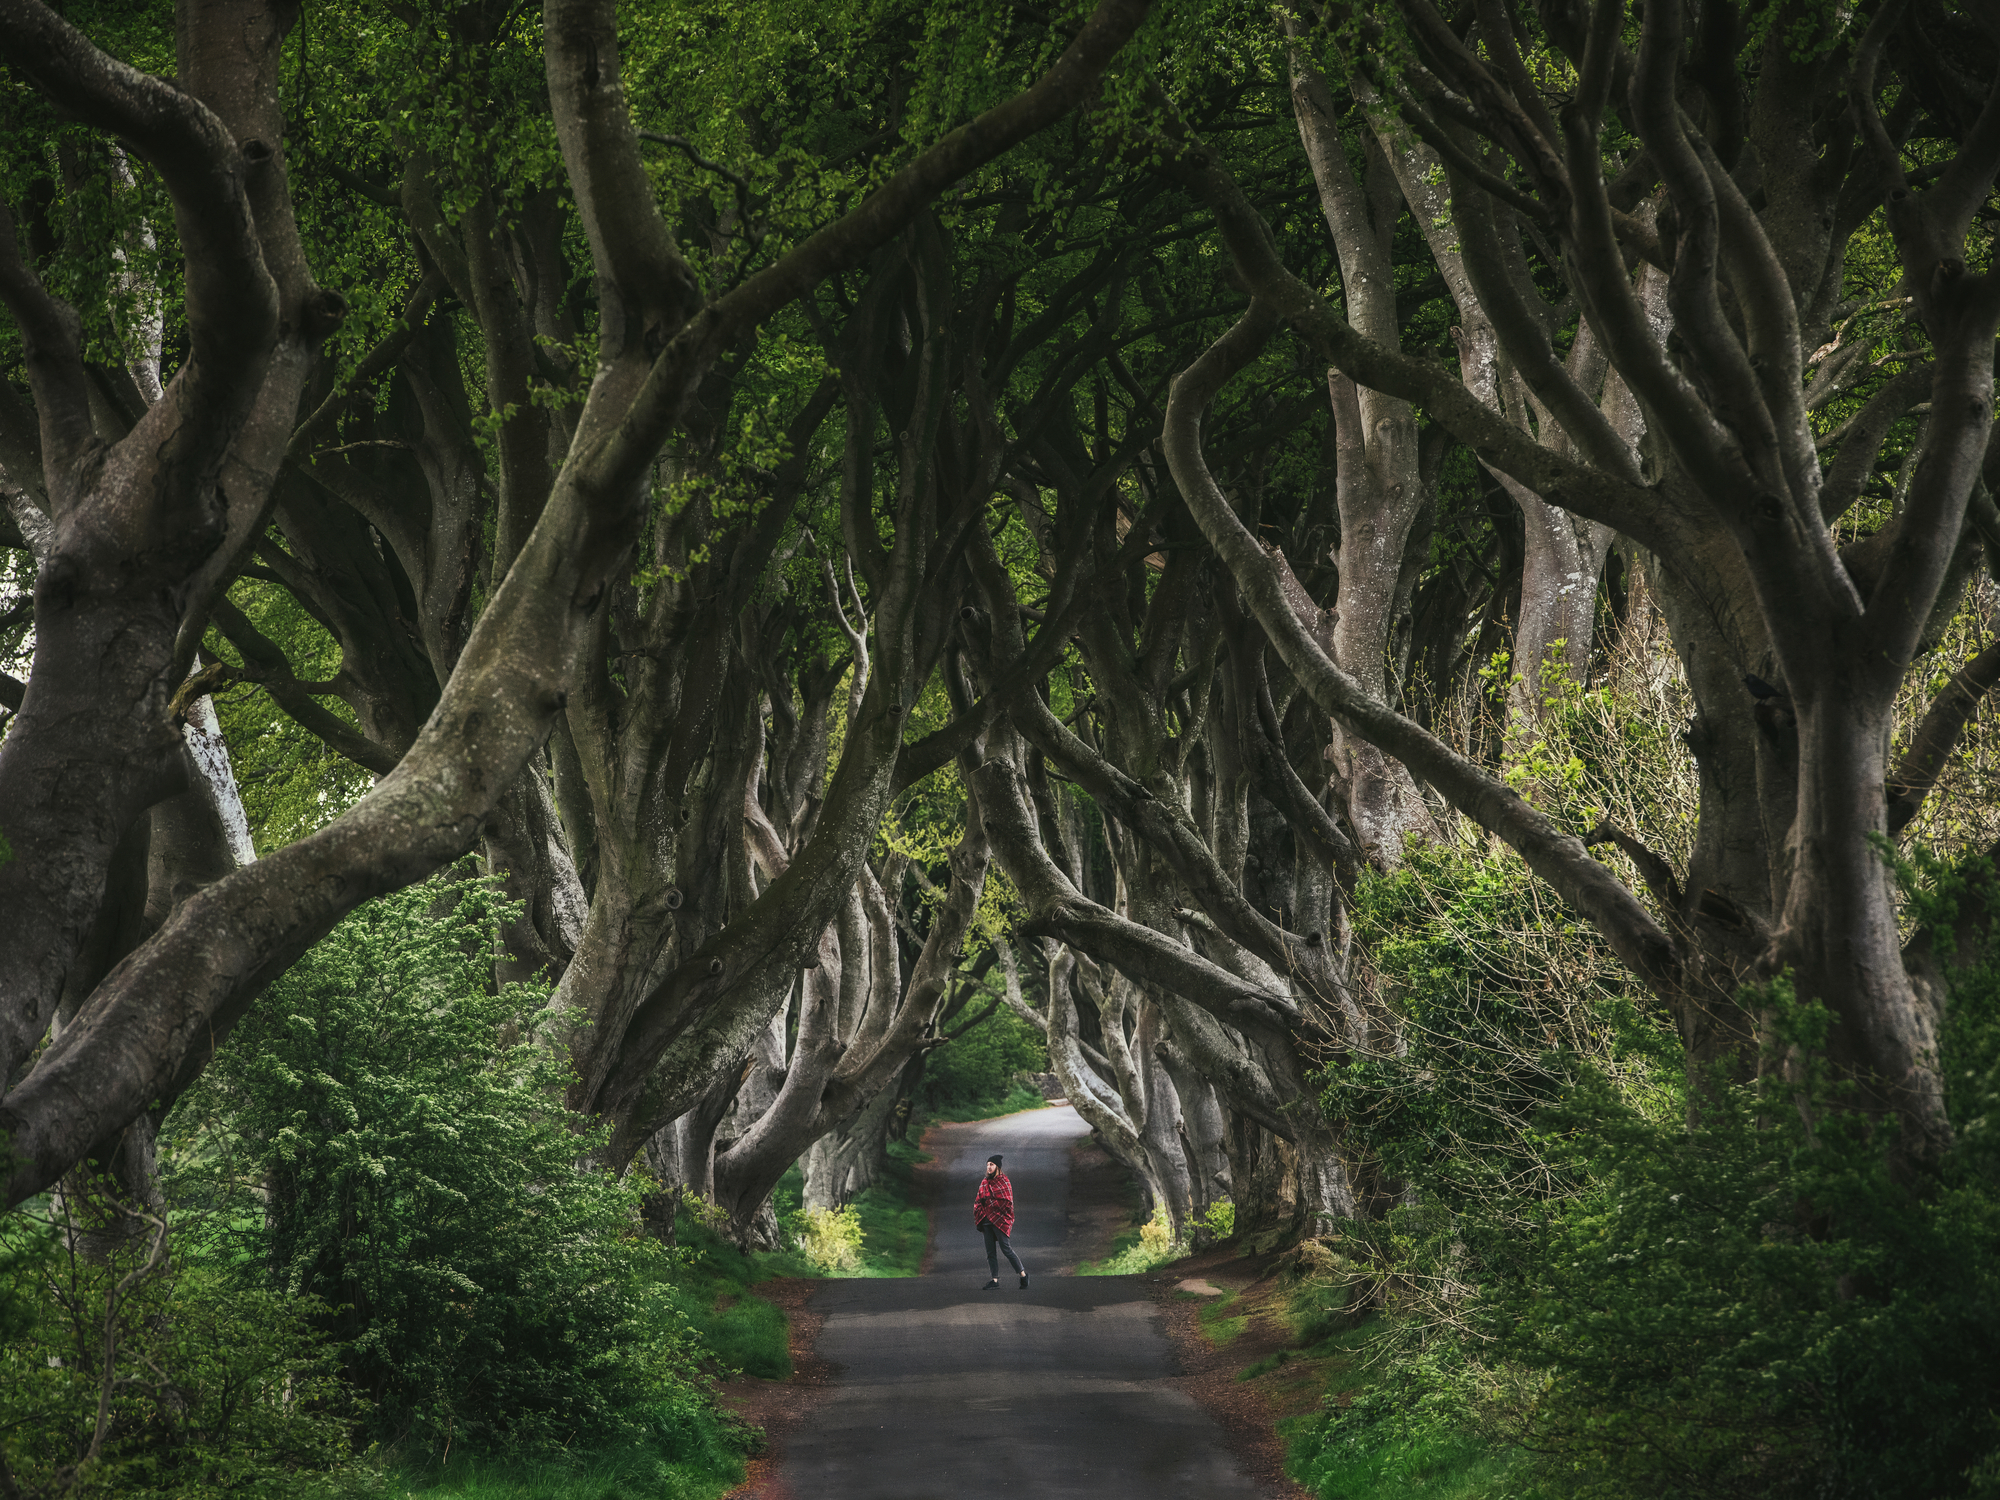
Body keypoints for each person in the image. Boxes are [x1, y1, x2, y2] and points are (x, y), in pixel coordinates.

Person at [973, 1154, 1027, 1290]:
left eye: (991, 1165)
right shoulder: (984, 1182)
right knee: (990, 1252)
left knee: (1006, 1248)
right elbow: (978, 1201)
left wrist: (990, 1203)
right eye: (987, 1165)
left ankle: (1023, 1275)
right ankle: (994, 1280)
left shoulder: (1004, 1182)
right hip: (986, 1221)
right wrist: (982, 1210)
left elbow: (1007, 1202)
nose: (989, 1167)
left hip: (999, 1220)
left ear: (997, 1167)